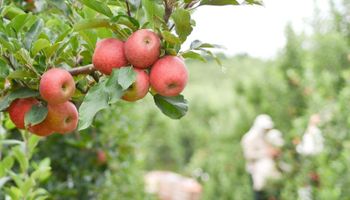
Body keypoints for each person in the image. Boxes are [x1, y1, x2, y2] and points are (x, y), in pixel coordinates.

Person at [241, 114, 284, 200]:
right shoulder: (250, 138)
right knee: (259, 195)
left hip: (268, 171)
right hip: (255, 171)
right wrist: (265, 153)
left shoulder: (266, 136)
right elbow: (248, 155)